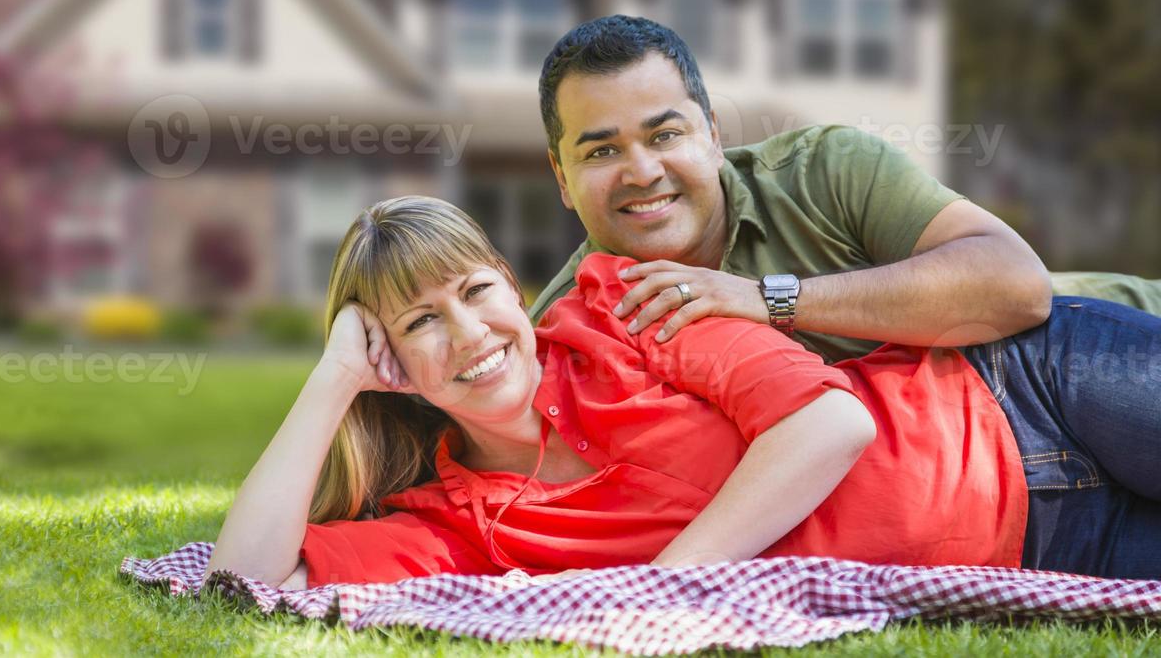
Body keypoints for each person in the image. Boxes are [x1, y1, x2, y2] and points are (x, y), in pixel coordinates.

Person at [203, 196, 1161, 590]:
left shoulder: (620, 307)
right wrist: (333, 378)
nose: (469, 335)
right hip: (1043, 543)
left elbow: (829, 423)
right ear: (392, 367)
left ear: (508, 282)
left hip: (1034, 387)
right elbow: (245, 581)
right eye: (418, 324)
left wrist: (665, 594)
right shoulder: (463, 526)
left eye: (475, 292)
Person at [524, 15, 1161, 363]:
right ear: (561, 177)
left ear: (713, 136)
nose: (641, 172)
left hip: (1111, 341)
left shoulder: (825, 167)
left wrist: (766, 301)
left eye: (665, 135)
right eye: (603, 150)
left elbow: (1016, 287)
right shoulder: (560, 327)